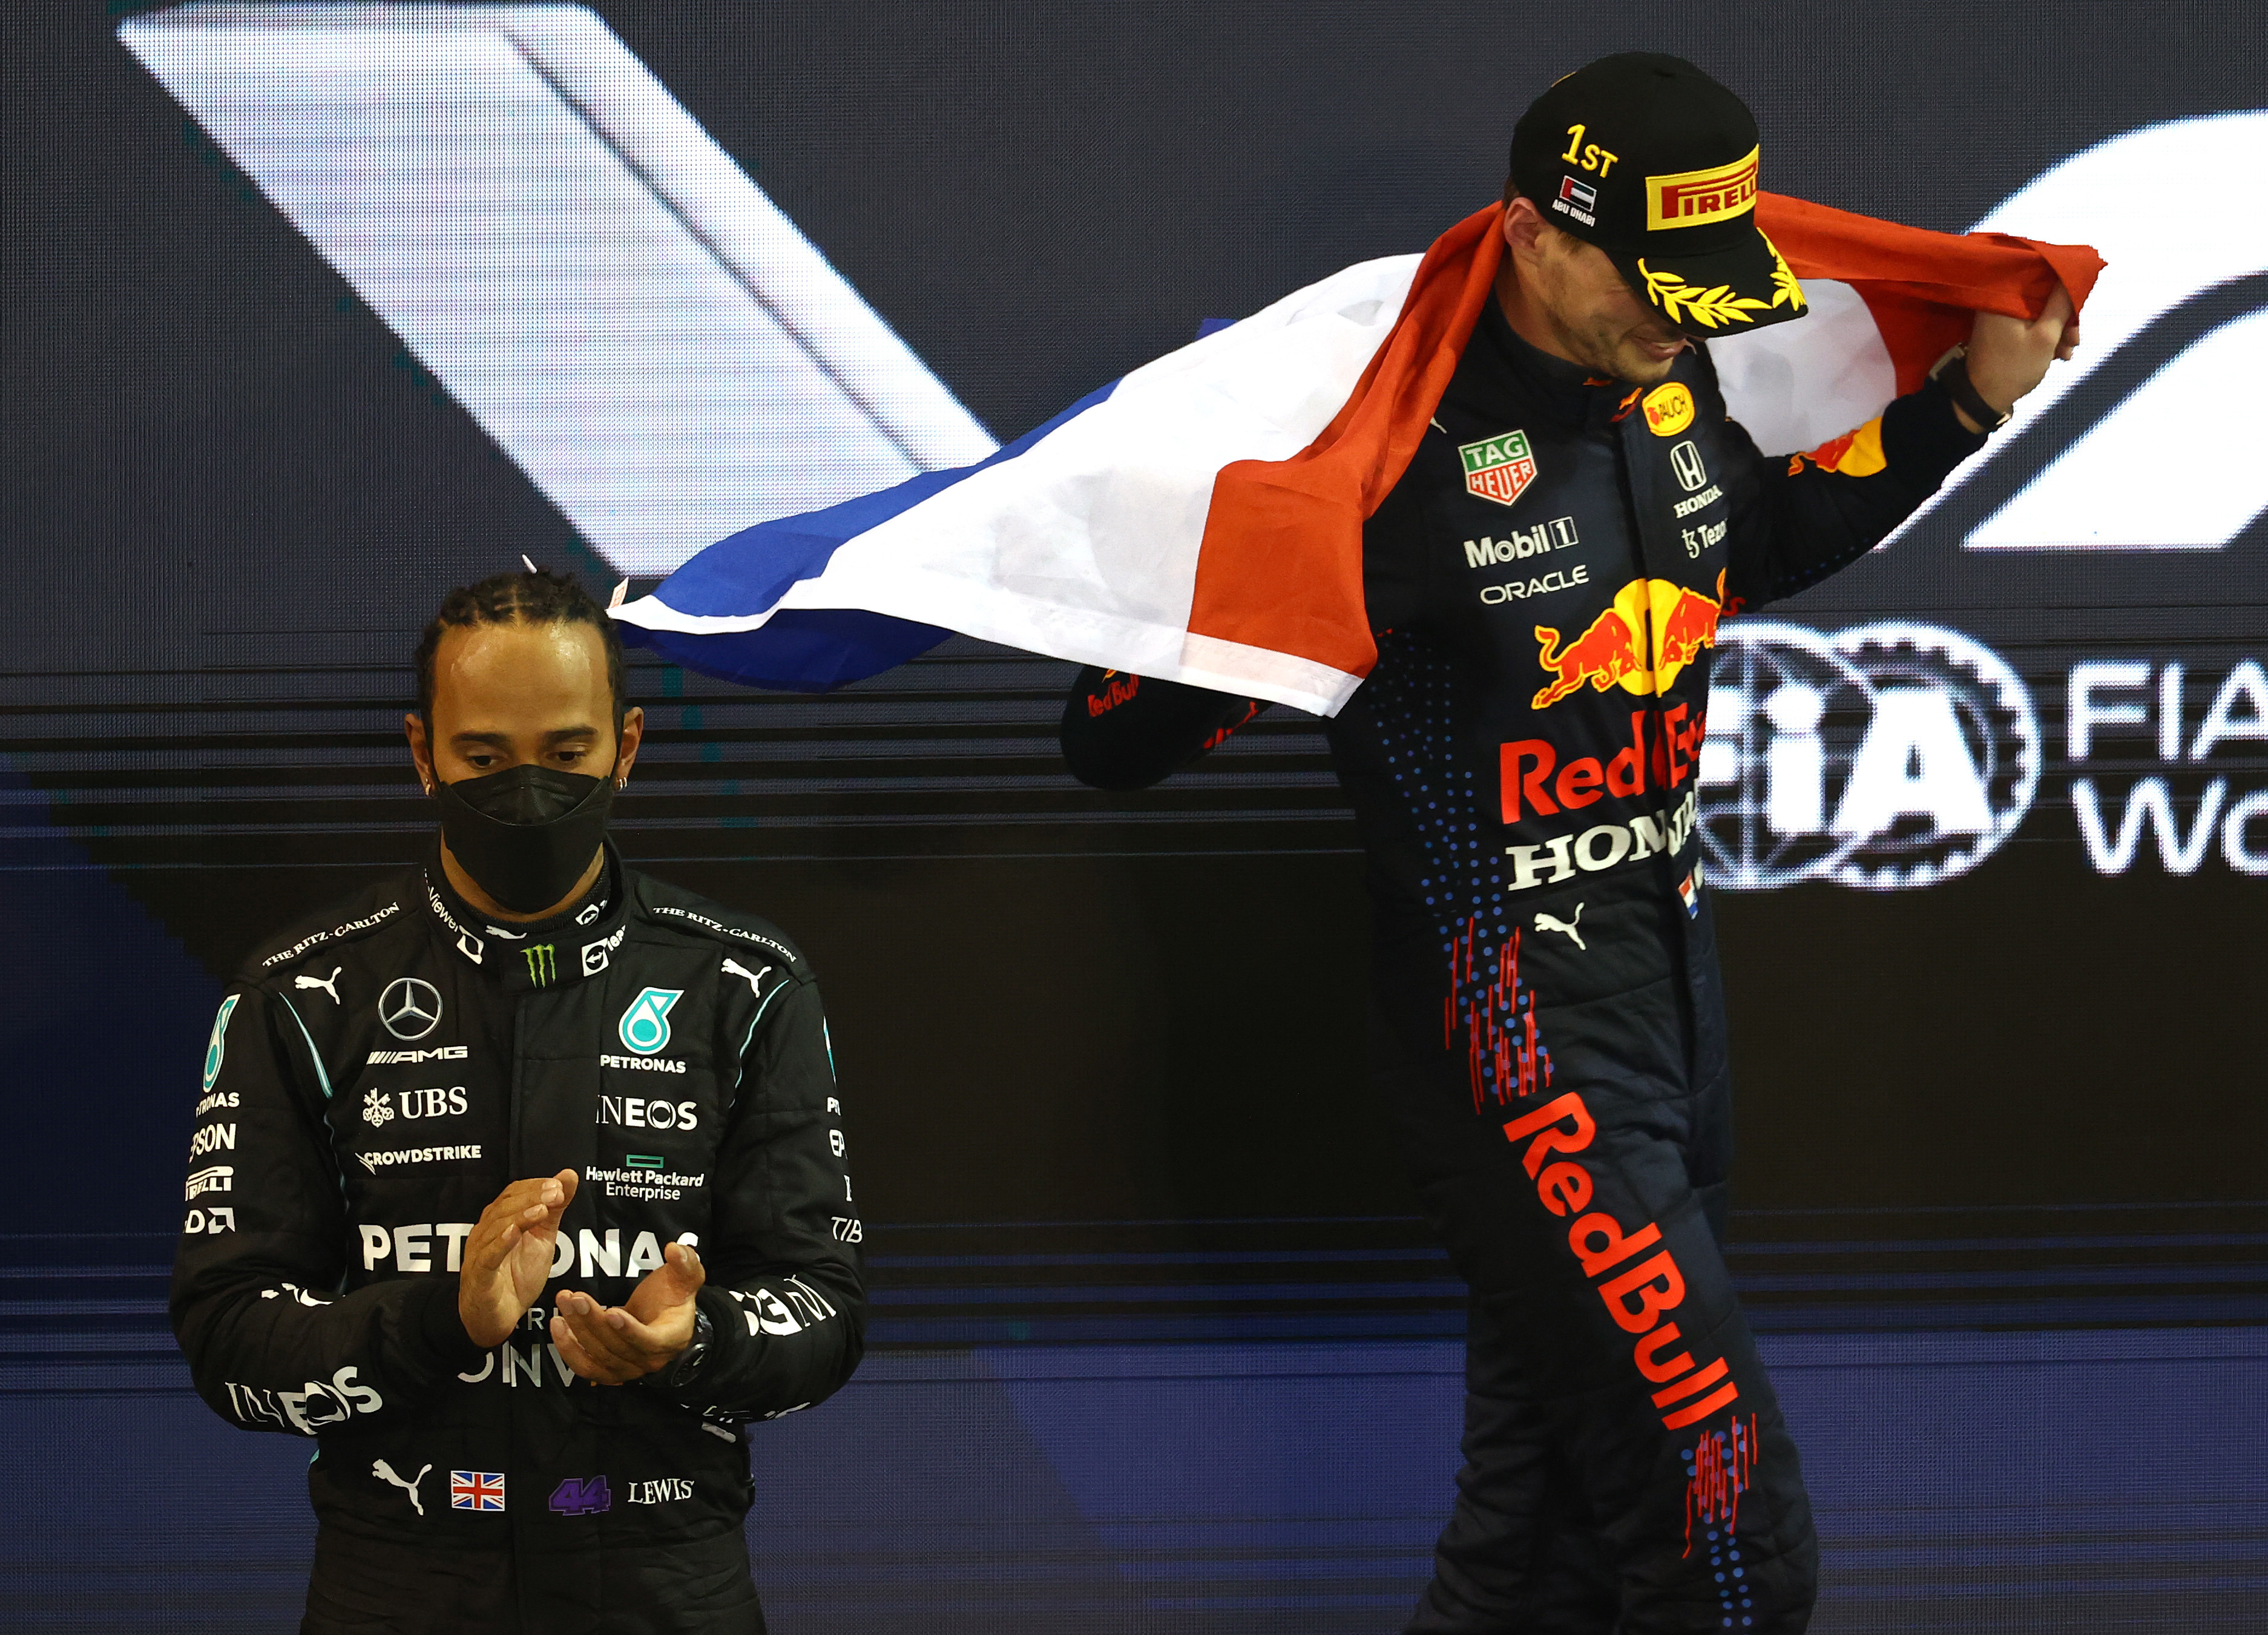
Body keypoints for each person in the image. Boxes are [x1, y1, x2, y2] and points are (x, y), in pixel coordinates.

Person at [1059, 53, 2076, 1634]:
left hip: (1671, 1004)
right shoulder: (1376, 442)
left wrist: (1958, 405)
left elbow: (1742, 547)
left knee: (1535, 1539)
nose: (1682, 316)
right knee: (1728, 1546)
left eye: (1707, 280)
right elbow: (1107, 738)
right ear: (1534, 235)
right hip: (1512, 1038)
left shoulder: (1663, 376)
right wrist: (1253, 595)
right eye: (1652, 279)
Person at [173, 567, 864, 1634]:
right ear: (422, 754)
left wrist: (696, 1341)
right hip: (398, 1582)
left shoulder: (746, 983)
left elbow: (825, 1310)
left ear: (627, 748)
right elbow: (228, 1339)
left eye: (568, 754)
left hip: (666, 1580)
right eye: (486, 758)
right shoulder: (305, 992)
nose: (528, 790)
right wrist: (441, 1319)